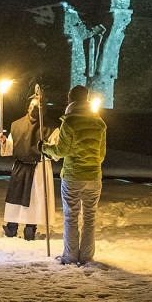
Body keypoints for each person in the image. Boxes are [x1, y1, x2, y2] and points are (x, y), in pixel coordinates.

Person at [43, 85, 106, 265]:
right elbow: (101, 155)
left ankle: (70, 256)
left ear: (70, 99)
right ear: (86, 99)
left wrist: (45, 147)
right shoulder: (99, 123)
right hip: (93, 177)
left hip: (73, 177)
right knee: (90, 218)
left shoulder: (69, 122)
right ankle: (86, 256)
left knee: (71, 217)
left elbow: (61, 151)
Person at [0, 94, 56, 240]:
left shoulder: (49, 127)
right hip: (21, 166)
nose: (34, 108)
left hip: (39, 167)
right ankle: (12, 227)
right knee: (16, 198)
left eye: (38, 105)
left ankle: (30, 228)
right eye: (33, 105)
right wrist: (4, 142)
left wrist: (46, 148)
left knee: (34, 200)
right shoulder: (17, 125)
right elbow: (11, 147)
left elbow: (56, 151)